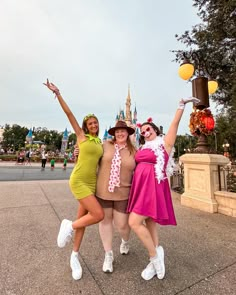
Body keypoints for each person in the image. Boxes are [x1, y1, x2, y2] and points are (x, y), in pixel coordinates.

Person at [127, 96, 200, 281]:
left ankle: (155, 259)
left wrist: (181, 106)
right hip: (140, 188)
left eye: (148, 129)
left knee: (134, 222)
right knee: (150, 222)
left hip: (152, 189)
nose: (145, 132)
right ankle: (156, 258)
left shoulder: (164, 145)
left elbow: (174, 125)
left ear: (155, 129)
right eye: (142, 131)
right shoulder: (142, 147)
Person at [44, 79, 104, 281]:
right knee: (98, 214)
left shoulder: (101, 143)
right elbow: (69, 114)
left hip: (92, 184)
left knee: (83, 222)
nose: (93, 125)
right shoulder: (82, 136)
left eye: (95, 122)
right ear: (86, 127)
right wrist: (58, 93)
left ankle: (74, 257)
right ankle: (68, 226)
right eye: (90, 123)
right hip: (78, 181)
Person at [96, 121, 136, 273]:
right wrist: (78, 152)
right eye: (117, 131)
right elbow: (91, 156)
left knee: (122, 225)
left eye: (123, 131)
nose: (120, 134)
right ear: (114, 133)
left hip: (123, 194)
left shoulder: (134, 152)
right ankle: (108, 254)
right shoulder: (105, 145)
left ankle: (125, 241)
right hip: (103, 192)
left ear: (128, 133)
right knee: (105, 222)